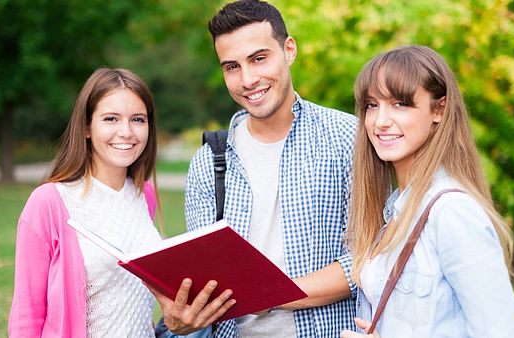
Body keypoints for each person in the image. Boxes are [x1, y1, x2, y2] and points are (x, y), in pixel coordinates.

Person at [151, 0, 358, 337]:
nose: (248, 79)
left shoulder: (348, 139)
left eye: (259, 58)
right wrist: (183, 316)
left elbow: (369, 259)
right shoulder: (209, 162)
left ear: (288, 50)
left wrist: (271, 294)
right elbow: (207, 283)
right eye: (232, 66)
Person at [339, 45, 514, 337]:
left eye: (400, 104)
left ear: (439, 109)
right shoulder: (393, 209)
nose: (380, 121)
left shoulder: (452, 212)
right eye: (372, 105)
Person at [8, 67, 163, 337]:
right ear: (87, 128)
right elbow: (27, 313)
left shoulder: (144, 194)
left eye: (138, 119)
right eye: (111, 119)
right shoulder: (49, 202)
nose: (126, 132)